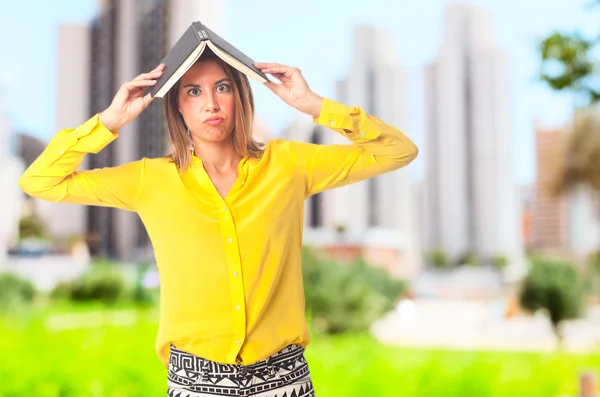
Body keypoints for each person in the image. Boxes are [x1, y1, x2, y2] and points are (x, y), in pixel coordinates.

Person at [19, 50, 418, 396]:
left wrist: (313, 104)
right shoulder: (150, 179)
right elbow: (39, 181)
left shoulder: (289, 164)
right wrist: (108, 121)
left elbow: (398, 151)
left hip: (284, 380)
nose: (210, 103)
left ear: (240, 98)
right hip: (194, 382)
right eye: (193, 91)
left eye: (222, 87)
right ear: (177, 105)